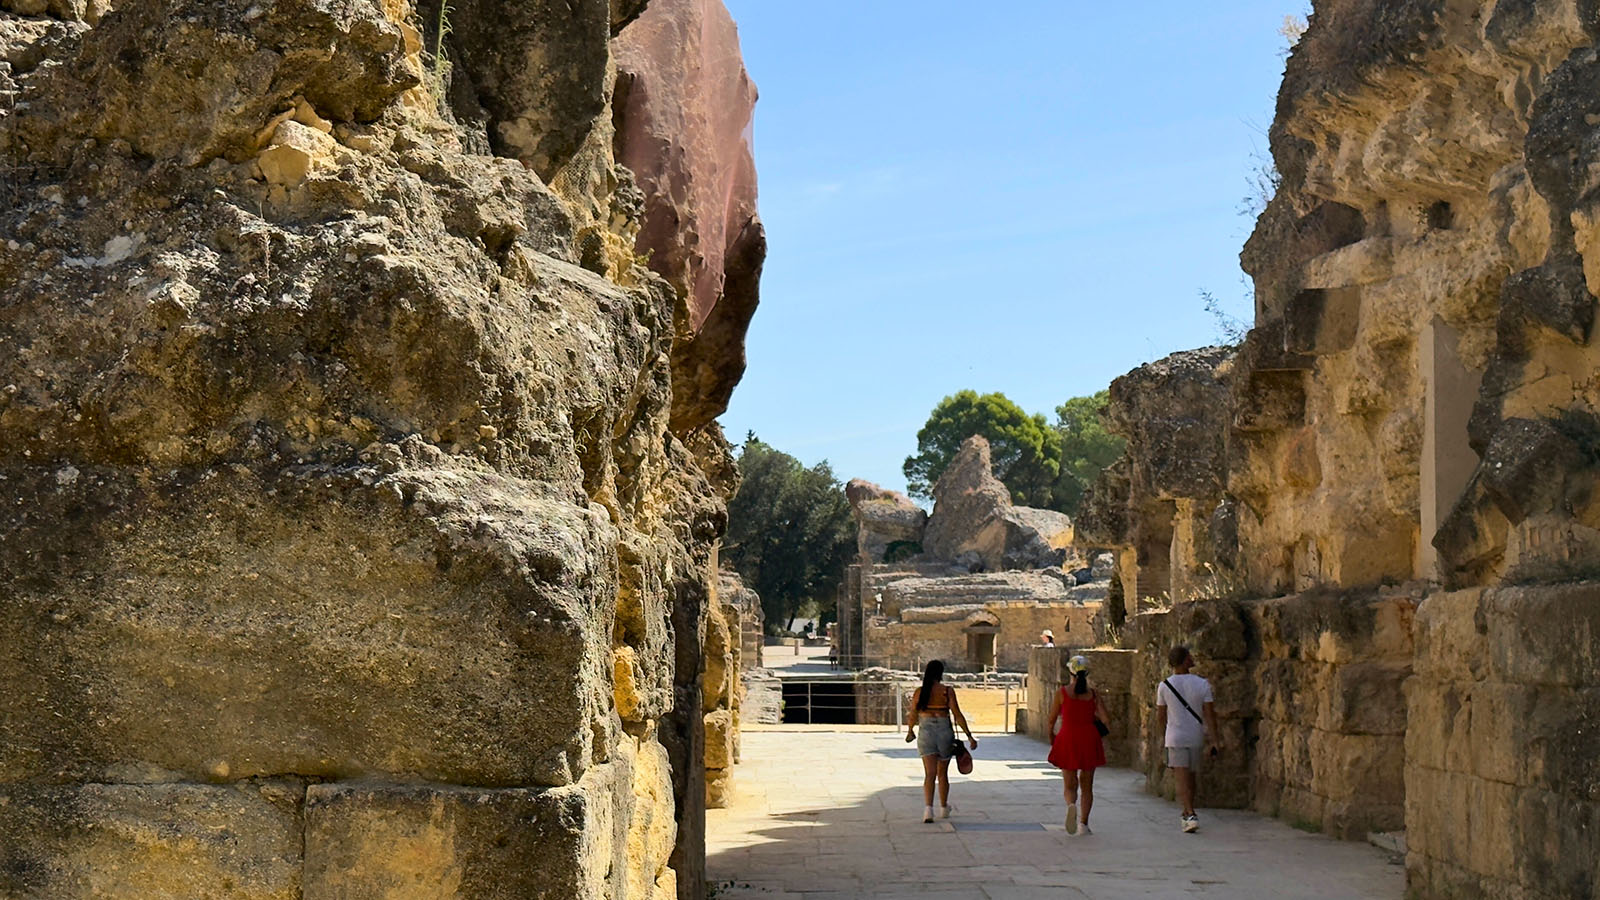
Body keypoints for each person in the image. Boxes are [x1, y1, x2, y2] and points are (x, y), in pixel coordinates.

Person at [1155, 645, 1220, 833]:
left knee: (1181, 776)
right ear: (1185, 661)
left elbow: (1161, 716)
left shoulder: (1164, 685)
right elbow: (1209, 714)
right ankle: (1188, 811)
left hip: (1174, 736)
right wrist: (1214, 740)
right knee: (1191, 776)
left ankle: (1189, 812)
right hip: (1195, 735)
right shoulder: (1202, 684)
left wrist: (1163, 736)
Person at [903, 659, 977, 823]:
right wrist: (969, 736)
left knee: (929, 774)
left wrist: (910, 731)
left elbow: (913, 715)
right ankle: (943, 807)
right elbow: (957, 715)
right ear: (940, 673)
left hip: (926, 732)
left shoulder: (919, 692)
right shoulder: (947, 691)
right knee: (942, 773)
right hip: (944, 732)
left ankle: (928, 810)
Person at [1046, 655, 1107, 835]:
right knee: (1087, 785)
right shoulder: (1093, 694)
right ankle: (1084, 823)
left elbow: (1051, 719)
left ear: (1070, 671)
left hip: (1068, 737)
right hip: (1089, 738)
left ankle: (1071, 804)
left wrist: (1051, 736)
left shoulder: (1062, 693)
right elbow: (1106, 719)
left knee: (1069, 782)